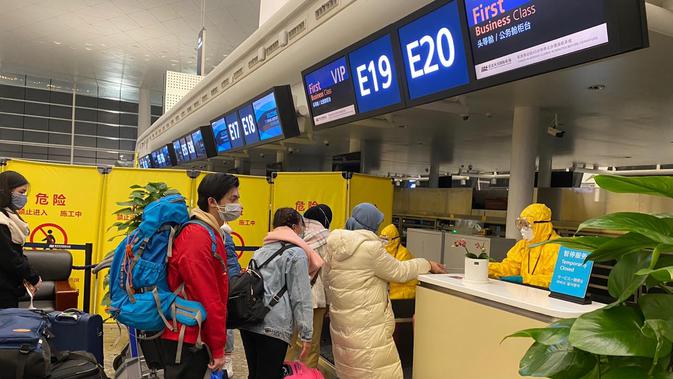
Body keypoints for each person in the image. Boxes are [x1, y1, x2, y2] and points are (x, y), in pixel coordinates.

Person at [324, 203, 446, 379]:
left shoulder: (334, 247)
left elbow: (326, 280)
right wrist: (427, 264)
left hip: (342, 324)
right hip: (368, 327)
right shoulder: (370, 249)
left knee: (351, 370)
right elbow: (399, 271)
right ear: (371, 225)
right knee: (375, 371)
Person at [159, 173, 240, 379]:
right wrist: (218, 348)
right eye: (233, 199)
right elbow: (208, 296)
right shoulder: (197, 236)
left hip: (193, 334)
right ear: (212, 202)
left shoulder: (210, 233)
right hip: (188, 338)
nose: (238, 205)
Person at [240, 208, 321, 379]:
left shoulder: (261, 251)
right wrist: (307, 335)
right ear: (294, 226)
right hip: (274, 326)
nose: (303, 230)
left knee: (254, 374)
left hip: (250, 322)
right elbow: (301, 297)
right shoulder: (296, 254)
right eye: (301, 226)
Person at [286, 204, 333, 369]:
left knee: (289, 342)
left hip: (291, 296)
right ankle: (306, 374)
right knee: (311, 345)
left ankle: (286, 372)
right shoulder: (327, 239)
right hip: (314, 298)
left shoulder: (295, 234)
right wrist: (329, 302)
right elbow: (327, 274)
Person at [488, 203, 560, 288]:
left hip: (546, 298)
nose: (522, 230)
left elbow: (556, 280)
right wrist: (487, 268)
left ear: (542, 225)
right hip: (523, 295)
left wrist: (525, 280)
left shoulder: (556, 247)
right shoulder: (523, 245)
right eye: (521, 225)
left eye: (527, 225)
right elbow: (510, 267)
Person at [0, 171, 40, 309]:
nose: (23, 197)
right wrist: (33, 277)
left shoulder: (8, 214)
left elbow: (17, 252)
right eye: (21, 192)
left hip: (9, 286)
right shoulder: (1, 219)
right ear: (6, 190)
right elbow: (10, 257)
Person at [221, 222, 242, 379]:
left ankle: (227, 358)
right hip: (215, 284)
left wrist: (229, 285)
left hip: (223, 285)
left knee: (225, 322)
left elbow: (232, 264)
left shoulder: (224, 236)